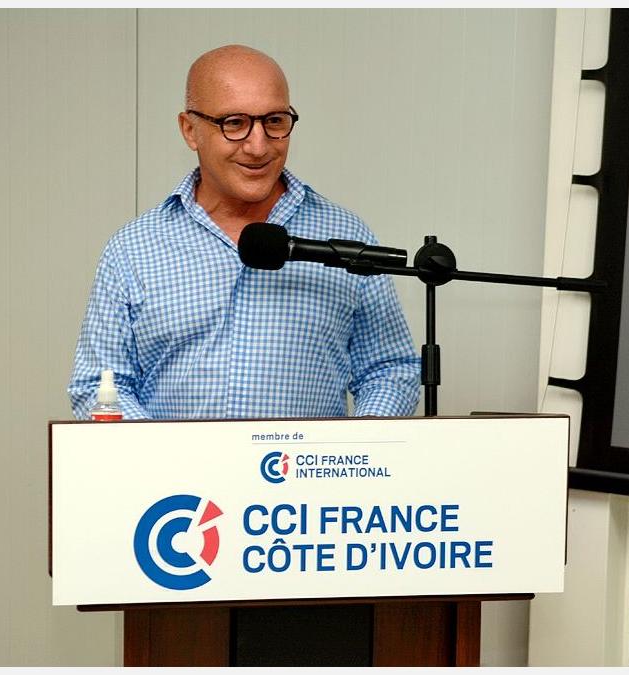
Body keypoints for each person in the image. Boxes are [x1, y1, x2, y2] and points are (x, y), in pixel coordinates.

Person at [67, 44, 419, 420]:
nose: (258, 146)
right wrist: (165, 453)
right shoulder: (134, 249)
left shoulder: (344, 236)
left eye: (275, 121)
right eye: (234, 123)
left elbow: (389, 370)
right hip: (174, 461)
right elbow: (98, 387)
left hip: (308, 460)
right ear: (190, 130)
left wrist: (357, 444)